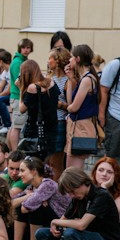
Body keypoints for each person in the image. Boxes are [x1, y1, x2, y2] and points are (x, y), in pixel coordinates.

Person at [36, 167, 120, 240]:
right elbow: (63, 221)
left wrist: (55, 221)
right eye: (69, 193)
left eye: (72, 191)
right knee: (42, 234)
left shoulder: (101, 196)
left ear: (81, 183)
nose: (71, 195)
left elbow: (82, 225)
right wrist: (56, 228)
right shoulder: (77, 198)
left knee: (71, 234)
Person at [5, 156, 69, 240]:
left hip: (61, 223)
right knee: (27, 204)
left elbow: (25, 208)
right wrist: (27, 196)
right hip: (50, 220)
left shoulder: (48, 184)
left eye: (22, 170)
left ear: (34, 171)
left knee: (36, 208)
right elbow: (10, 204)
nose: (19, 174)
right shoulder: (32, 186)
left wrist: (30, 199)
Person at [64, 44, 99, 168]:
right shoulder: (83, 78)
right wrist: (69, 79)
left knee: (74, 172)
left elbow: (73, 107)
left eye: (72, 57)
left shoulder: (87, 80)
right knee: (69, 169)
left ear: (78, 59)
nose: (70, 60)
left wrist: (67, 108)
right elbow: (70, 103)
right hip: (75, 126)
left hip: (81, 128)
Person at [18, 59, 59, 160]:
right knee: (47, 162)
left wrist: (21, 89)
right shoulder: (51, 82)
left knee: (34, 163)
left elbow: (22, 109)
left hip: (37, 131)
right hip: (52, 129)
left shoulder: (33, 87)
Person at [90, 157, 120, 240]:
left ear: (115, 175)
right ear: (95, 172)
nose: (104, 174)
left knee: (119, 219)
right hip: (90, 227)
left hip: (110, 231)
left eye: (109, 172)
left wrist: (104, 189)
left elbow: (111, 214)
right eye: (101, 170)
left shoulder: (119, 192)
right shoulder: (88, 187)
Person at [46, 46, 71, 180]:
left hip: (59, 123)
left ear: (58, 60)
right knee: (46, 163)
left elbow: (72, 106)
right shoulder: (48, 77)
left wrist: (59, 104)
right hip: (47, 122)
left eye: (50, 58)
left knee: (56, 163)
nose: (48, 61)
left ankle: (59, 195)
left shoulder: (67, 80)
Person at [6, 38, 33, 151]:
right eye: (23, 48)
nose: (26, 50)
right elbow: (20, 82)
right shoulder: (18, 62)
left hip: (16, 97)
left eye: (28, 48)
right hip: (18, 97)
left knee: (14, 126)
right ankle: (15, 152)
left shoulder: (21, 61)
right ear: (19, 49)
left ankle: (11, 151)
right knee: (17, 127)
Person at [98, 53, 120, 163]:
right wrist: (101, 115)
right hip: (116, 118)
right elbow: (103, 90)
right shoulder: (116, 65)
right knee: (111, 159)